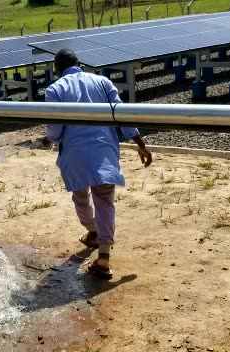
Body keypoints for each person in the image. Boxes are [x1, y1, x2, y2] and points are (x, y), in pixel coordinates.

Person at [45, 49, 153, 280]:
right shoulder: (103, 82)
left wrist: (54, 137)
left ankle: (93, 231)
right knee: (104, 202)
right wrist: (140, 144)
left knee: (81, 197)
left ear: (57, 69)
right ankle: (103, 256)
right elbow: (122, 115)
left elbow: (54, 131)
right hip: (104, 152)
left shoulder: (55, 89)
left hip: (74, 156)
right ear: (80, 64)